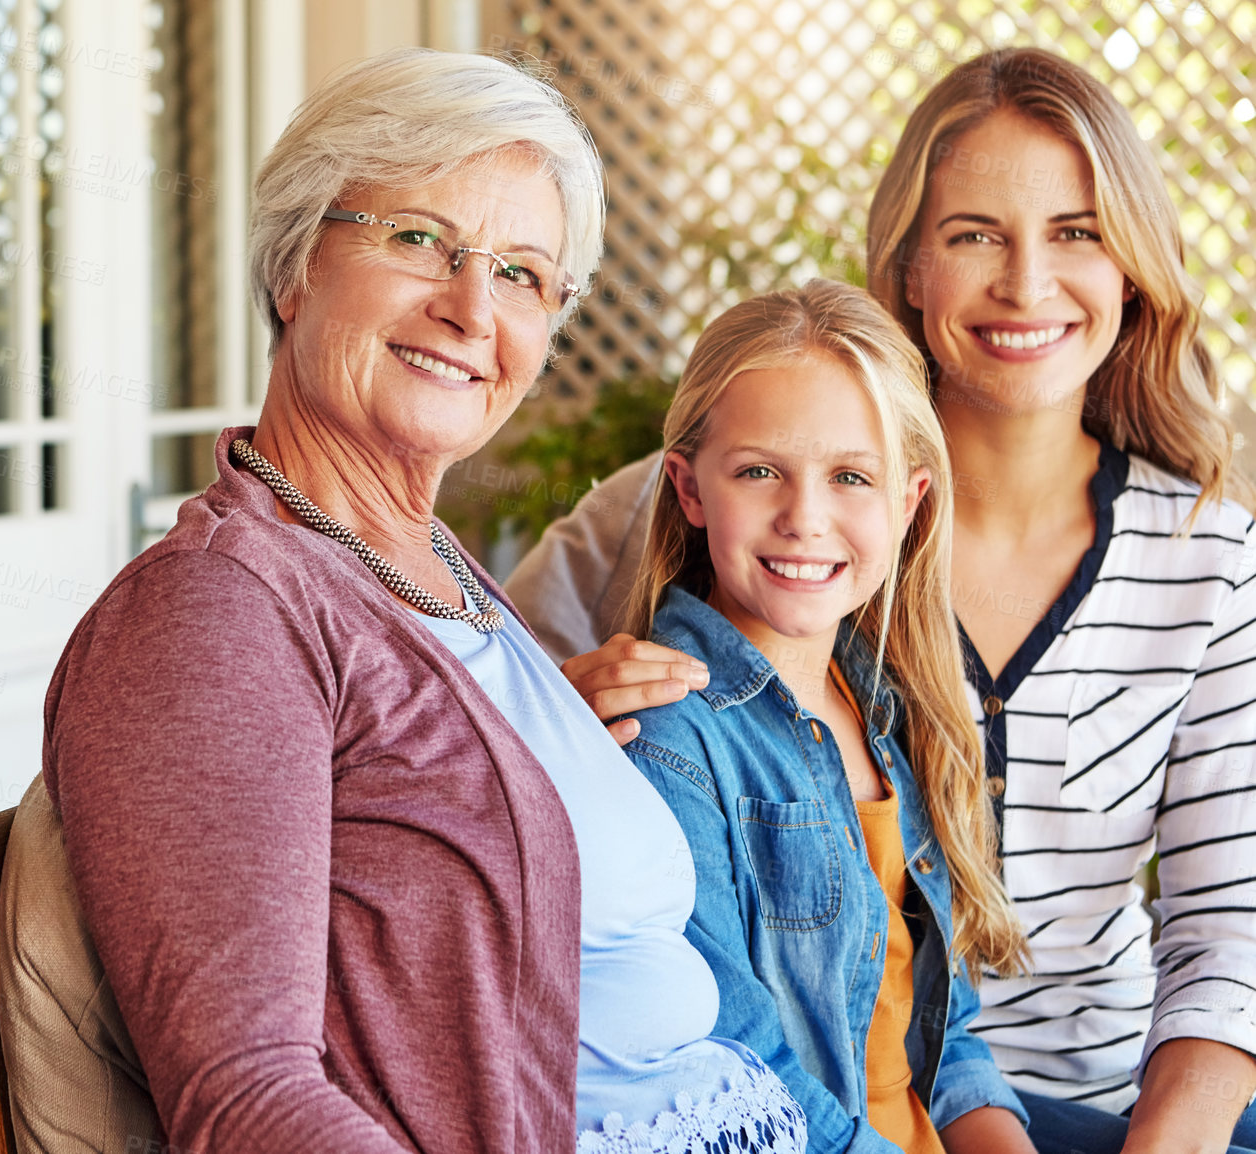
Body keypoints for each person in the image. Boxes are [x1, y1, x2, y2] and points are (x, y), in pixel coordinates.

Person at [0, 48, 803, 1154]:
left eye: (523, 273)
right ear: (293, 268)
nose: (473, 308)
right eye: (419, 238)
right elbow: (246, 1101)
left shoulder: (425, 564)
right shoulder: (212, 613)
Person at [509, 46, 1256, 1154]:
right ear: (907, 265)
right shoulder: (709, 513)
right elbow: (474, 735)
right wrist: (553, 728)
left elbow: (1223, 936)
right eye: (972, 236)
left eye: (1076, 232)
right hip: (825, 1102)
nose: (1025, 285)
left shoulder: (1206, 556)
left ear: (1133, 264)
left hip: (1095, 1100)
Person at [615, 279, 1034, 1154]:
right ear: (690, 490)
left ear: (910, 501)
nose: (805, 519)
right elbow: (737, 1067)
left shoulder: (885, 706)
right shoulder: (667, 741)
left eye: (851, 477)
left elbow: (946, 1037)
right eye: (760, 471)